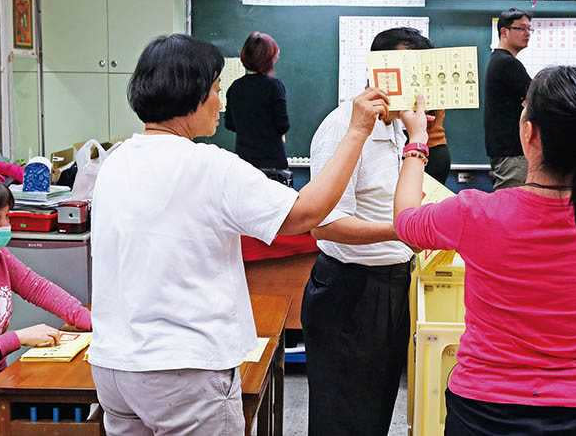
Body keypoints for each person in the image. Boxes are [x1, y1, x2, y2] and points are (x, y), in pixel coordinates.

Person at [89, 33, 388, 435]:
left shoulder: (116, 161)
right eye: (215, 89)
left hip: (115, 366)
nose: (221, 101)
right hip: (183, 369)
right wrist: (356, 132)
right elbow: (306, 213)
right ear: (190, 93)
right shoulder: (207, 165)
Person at [394, 66, 576, 436]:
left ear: (529, 132)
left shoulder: (476, 212)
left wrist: (416, 143)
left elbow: (405, 222)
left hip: (482, 409)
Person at [302, 27, 430, 436]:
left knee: (374, 410)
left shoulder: (397, 126)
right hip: (350, 290)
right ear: (381, 72)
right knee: (343, 417)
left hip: (391, 286)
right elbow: (324, 224)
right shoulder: (344, 126)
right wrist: (401, 231)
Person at [0, 180, 92, 429]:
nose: (6, 226)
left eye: (7, 217)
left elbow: (37, 287)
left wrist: (86, 319)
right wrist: (19, 337)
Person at [224, 31, 292, 186]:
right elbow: (283, 125)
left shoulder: (235, 87)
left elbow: (230, 124)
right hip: (273, 166)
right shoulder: (274, 86)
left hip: (244, 165)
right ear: (269, 59)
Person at [485, 8, 533, 189]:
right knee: (510, 211)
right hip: (512, 153)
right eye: (521, 28)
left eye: (529, 29)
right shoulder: (507, 63)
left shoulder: (499, 60)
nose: (527, 33)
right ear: (504, 32)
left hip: (507, 152)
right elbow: (537, 99)